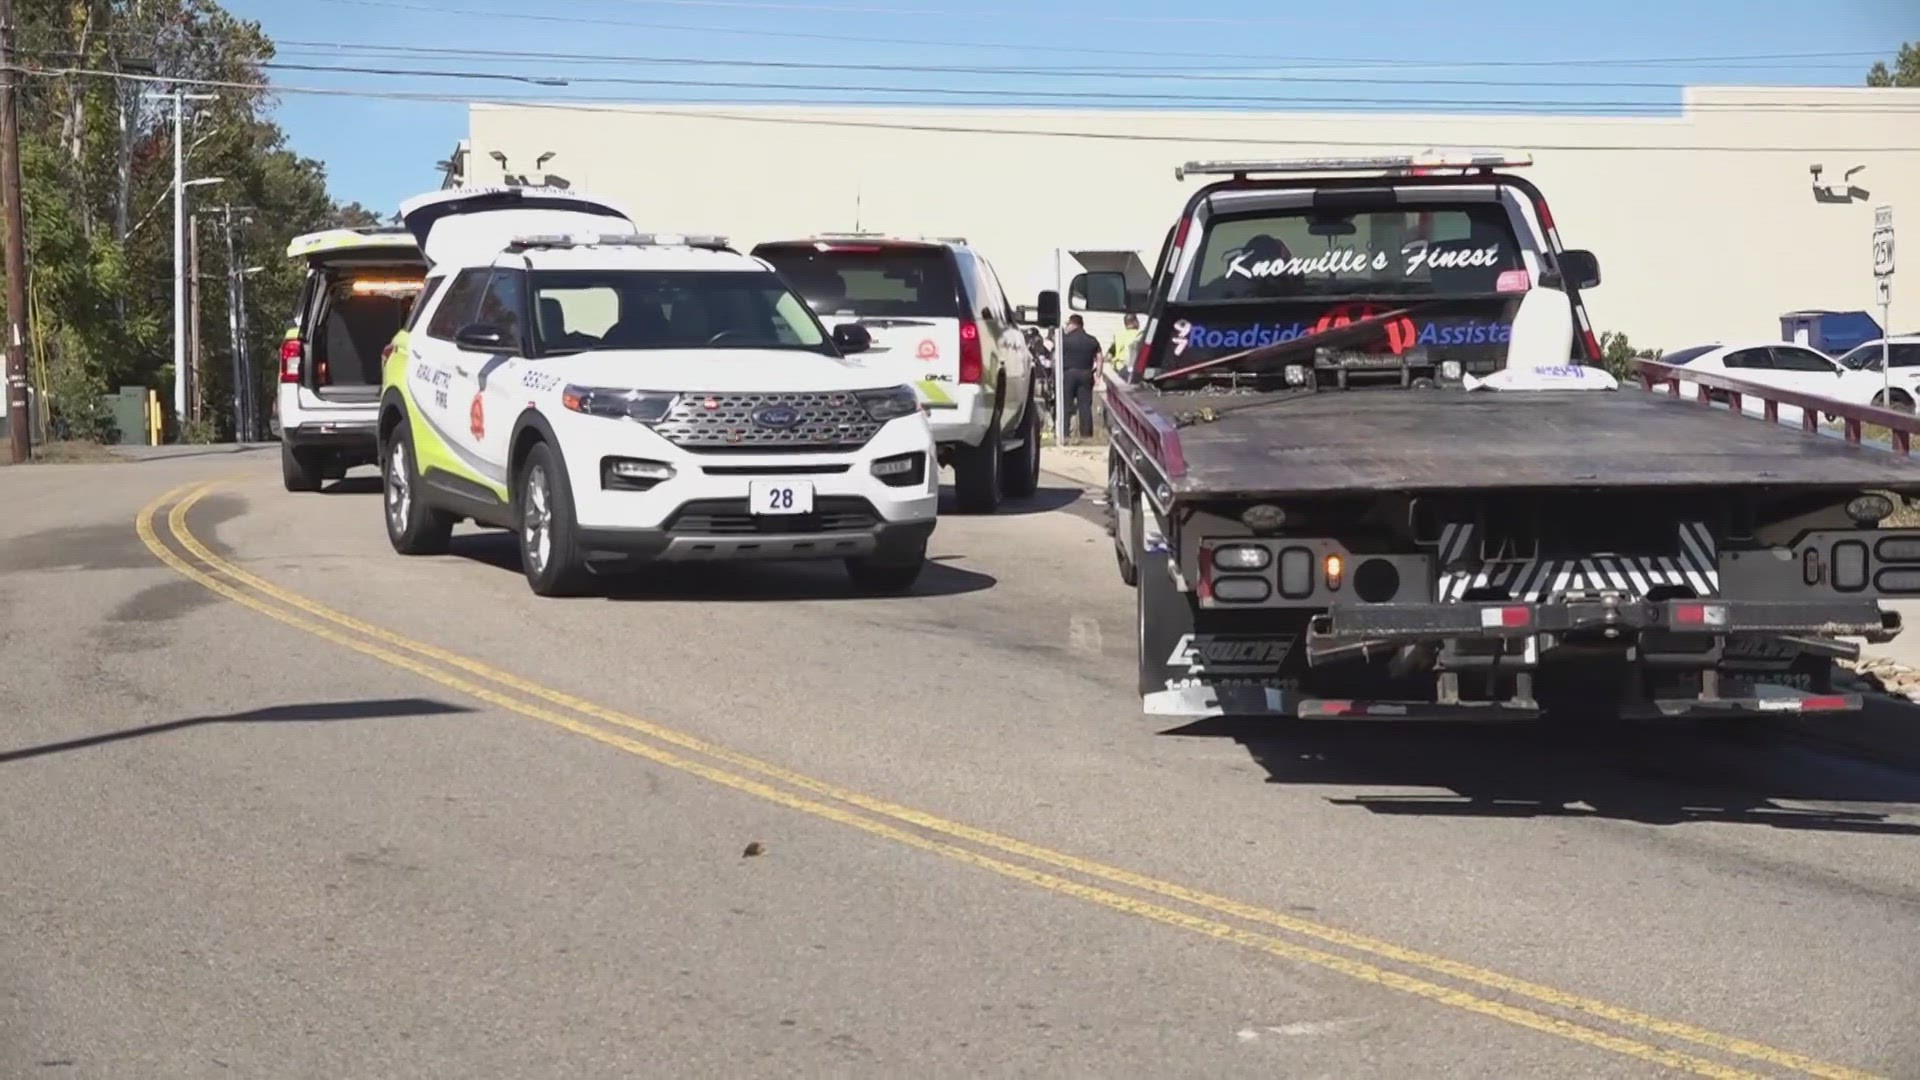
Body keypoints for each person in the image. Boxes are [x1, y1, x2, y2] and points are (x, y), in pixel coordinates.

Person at [1058, 315, 1102, 441]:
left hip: (1068, 374)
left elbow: (1056, 357)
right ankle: (1086, 435)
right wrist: (1098, 374)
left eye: (1068, 324)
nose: (1067, 327)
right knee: (1085, 406)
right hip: (1086, 374)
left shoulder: (1064, 340)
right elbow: (1099, 358)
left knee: (1065, 405)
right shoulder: (1092, 340)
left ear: (1073, 324)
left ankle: (1064, 433)